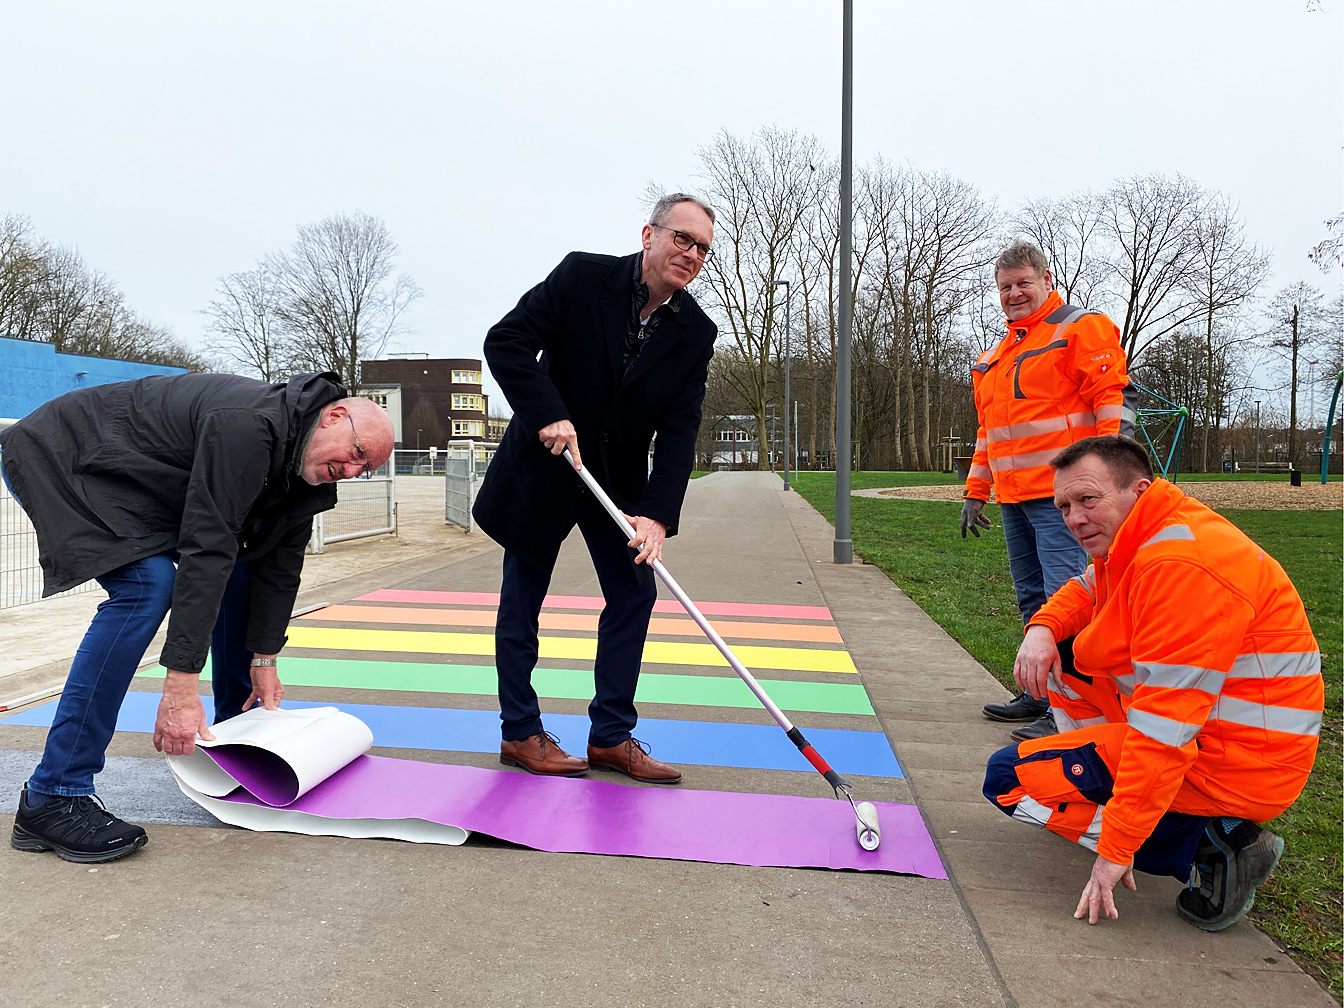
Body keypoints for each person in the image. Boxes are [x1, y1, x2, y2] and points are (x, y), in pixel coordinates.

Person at [0, 372, 395, 862]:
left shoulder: (302, 467)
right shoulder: (248, 426)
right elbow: (207, 546)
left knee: (243, 570)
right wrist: (180, 688)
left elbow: (278, 565)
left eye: (368, 468)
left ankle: (238, 740)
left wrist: (265, 657)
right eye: (357, 454)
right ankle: (53, 795)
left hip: (132, 476)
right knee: (148, 588)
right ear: (334, 416)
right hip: (65, 454)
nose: (356, 471)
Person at [983, 436, 1323, 931]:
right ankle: (1113, 787)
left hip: (1234, 762)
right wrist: (1042, 629)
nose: (1074, 518)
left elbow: (1165, 733)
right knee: (1067, 657)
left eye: (1088, 500)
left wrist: (1116, 848)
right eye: (1064, 506)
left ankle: (1214, 846)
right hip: (1220, 736)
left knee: (1008, 781)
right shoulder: (1149, 534)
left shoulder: (1180, 567)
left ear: (1137, 490)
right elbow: (1085, 589)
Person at [473, 193, 717, 784]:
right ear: (649, 235)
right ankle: (520, 732)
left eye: (702, 248)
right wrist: (547, 412)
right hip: (546, 468)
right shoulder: (583, 277)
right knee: (522, 601)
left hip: (620, 490)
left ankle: (611, 736)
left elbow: (681, 430)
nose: (689, 253)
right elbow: (505, 342)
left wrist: (657, 515)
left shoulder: (694, 331)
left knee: (635, 597)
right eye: (681, 238)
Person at [962, 240, 1137, 742]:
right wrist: (977, 491)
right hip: (1016, 497)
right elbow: (988, 433)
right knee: (1035, 599)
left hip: (1063, 498)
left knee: (1070, 599)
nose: (1014, 293)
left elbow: (1109, 397)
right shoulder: (994, 356)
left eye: (1023, 283)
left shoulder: (1079, 328)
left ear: (1045, 279)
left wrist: (1108, 478)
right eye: (1005, 287)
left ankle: (1071, 708)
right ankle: (1040, 694)